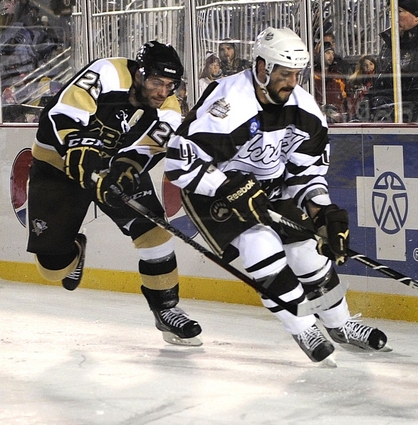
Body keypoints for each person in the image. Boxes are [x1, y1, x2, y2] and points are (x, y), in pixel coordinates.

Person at [165, 27, 391, 365]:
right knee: (262, 248)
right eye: (284, 74)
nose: (291, 81)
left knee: (308, 253)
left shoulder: (303, 109)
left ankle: (341, 325)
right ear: (261, 68)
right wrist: (227, 187)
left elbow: (306, 172)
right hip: (212, 193)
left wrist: (321, 213)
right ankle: (303, 327)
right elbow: (179, 162)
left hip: (268, 189)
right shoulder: (230, 103)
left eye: (296, 74)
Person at [26, 40, 203, 346]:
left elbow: (148, 149)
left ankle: (167, 309)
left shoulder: (170, 110)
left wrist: (125, 170)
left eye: (170, 85)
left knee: (153, 231)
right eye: (156, 82)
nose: (163, 92)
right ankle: (74, 248)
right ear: (139, 73)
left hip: (111, 167)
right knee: (53, 269)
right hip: (57, 165)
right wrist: (82, 154)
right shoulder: (108, 72)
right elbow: (63, 113)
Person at [368, 0, 418, 123]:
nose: (392, 16)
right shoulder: (389, 45)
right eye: (390, 11)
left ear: (417, 17)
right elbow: (376, 86)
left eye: (399, 11)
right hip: (384, 122)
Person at [313, 42, 348, 123]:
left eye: (332, 53)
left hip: (336, 117)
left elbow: (344, 97)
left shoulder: (337, 75)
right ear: (320, 55)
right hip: (318, 116)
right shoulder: (313, 74)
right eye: (327, 53)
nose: (331, 56)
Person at [346, 54, 377, 121]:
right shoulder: (355, 80)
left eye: (371, 64)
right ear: (362, 67)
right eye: (365, 65)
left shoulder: (376, 79)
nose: (369, 67)